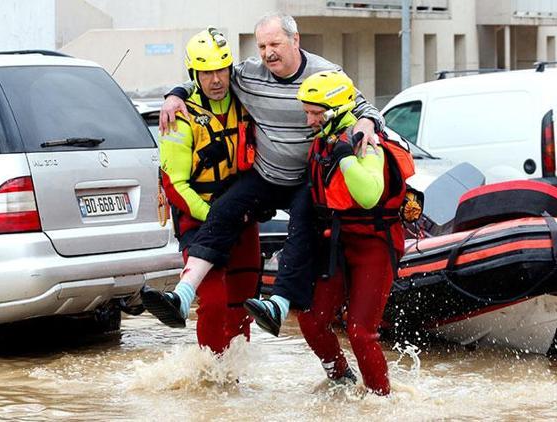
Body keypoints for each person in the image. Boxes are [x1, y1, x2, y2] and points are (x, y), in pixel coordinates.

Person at [149, 12, 385, 334]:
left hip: (304, 178)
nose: (268, 52)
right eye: (261, 46)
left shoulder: (327, 73)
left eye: (275, 43)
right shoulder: (247, 75)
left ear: (295, 40)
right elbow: (207, 78)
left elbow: (363, 107)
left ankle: (280, 303)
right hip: (265, 175)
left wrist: (367, 123)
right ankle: (182, 294)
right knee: (225, 209)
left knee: (301, 225)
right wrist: (174, 94)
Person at [140, 28, 260, 354]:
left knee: (244, 303)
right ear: (195, 73)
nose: (216, 79)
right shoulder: (179, 116)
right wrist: (216, 217)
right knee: (215, 303)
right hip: (200, 216)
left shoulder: (246, 100)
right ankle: (210, 377)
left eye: (221, 69)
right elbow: (175, 186)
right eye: (207, 72)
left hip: (243, 214)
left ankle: (234, 379)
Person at [295, 70, 414, 396]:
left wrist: (347, 158)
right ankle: (340, 378)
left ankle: (380, 402)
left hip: (374, 245)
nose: (309, 121)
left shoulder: (367, 143)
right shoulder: (324, 141)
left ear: (334, 110)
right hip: (337, 243)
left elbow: (369, 195)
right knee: (310, 319)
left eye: (315, 113)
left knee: (361, 332)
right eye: (306, 112)